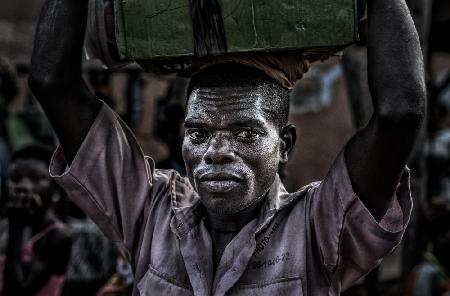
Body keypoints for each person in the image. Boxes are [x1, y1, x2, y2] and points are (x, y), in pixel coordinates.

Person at [28, 0, 425, 295]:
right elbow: (51, 81)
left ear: (284, 144)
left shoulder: (317, 228)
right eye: (198, 134)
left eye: (246, 134)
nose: (216, 151)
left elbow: (400, 113)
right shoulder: (150, 213)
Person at [1, 144, 72, 296]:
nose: (23, 186)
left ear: (55, 191)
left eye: (36, 178)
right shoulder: (3, 227)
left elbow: (16, 292)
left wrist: (16, 226)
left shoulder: (57, 236)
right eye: (15, 178)